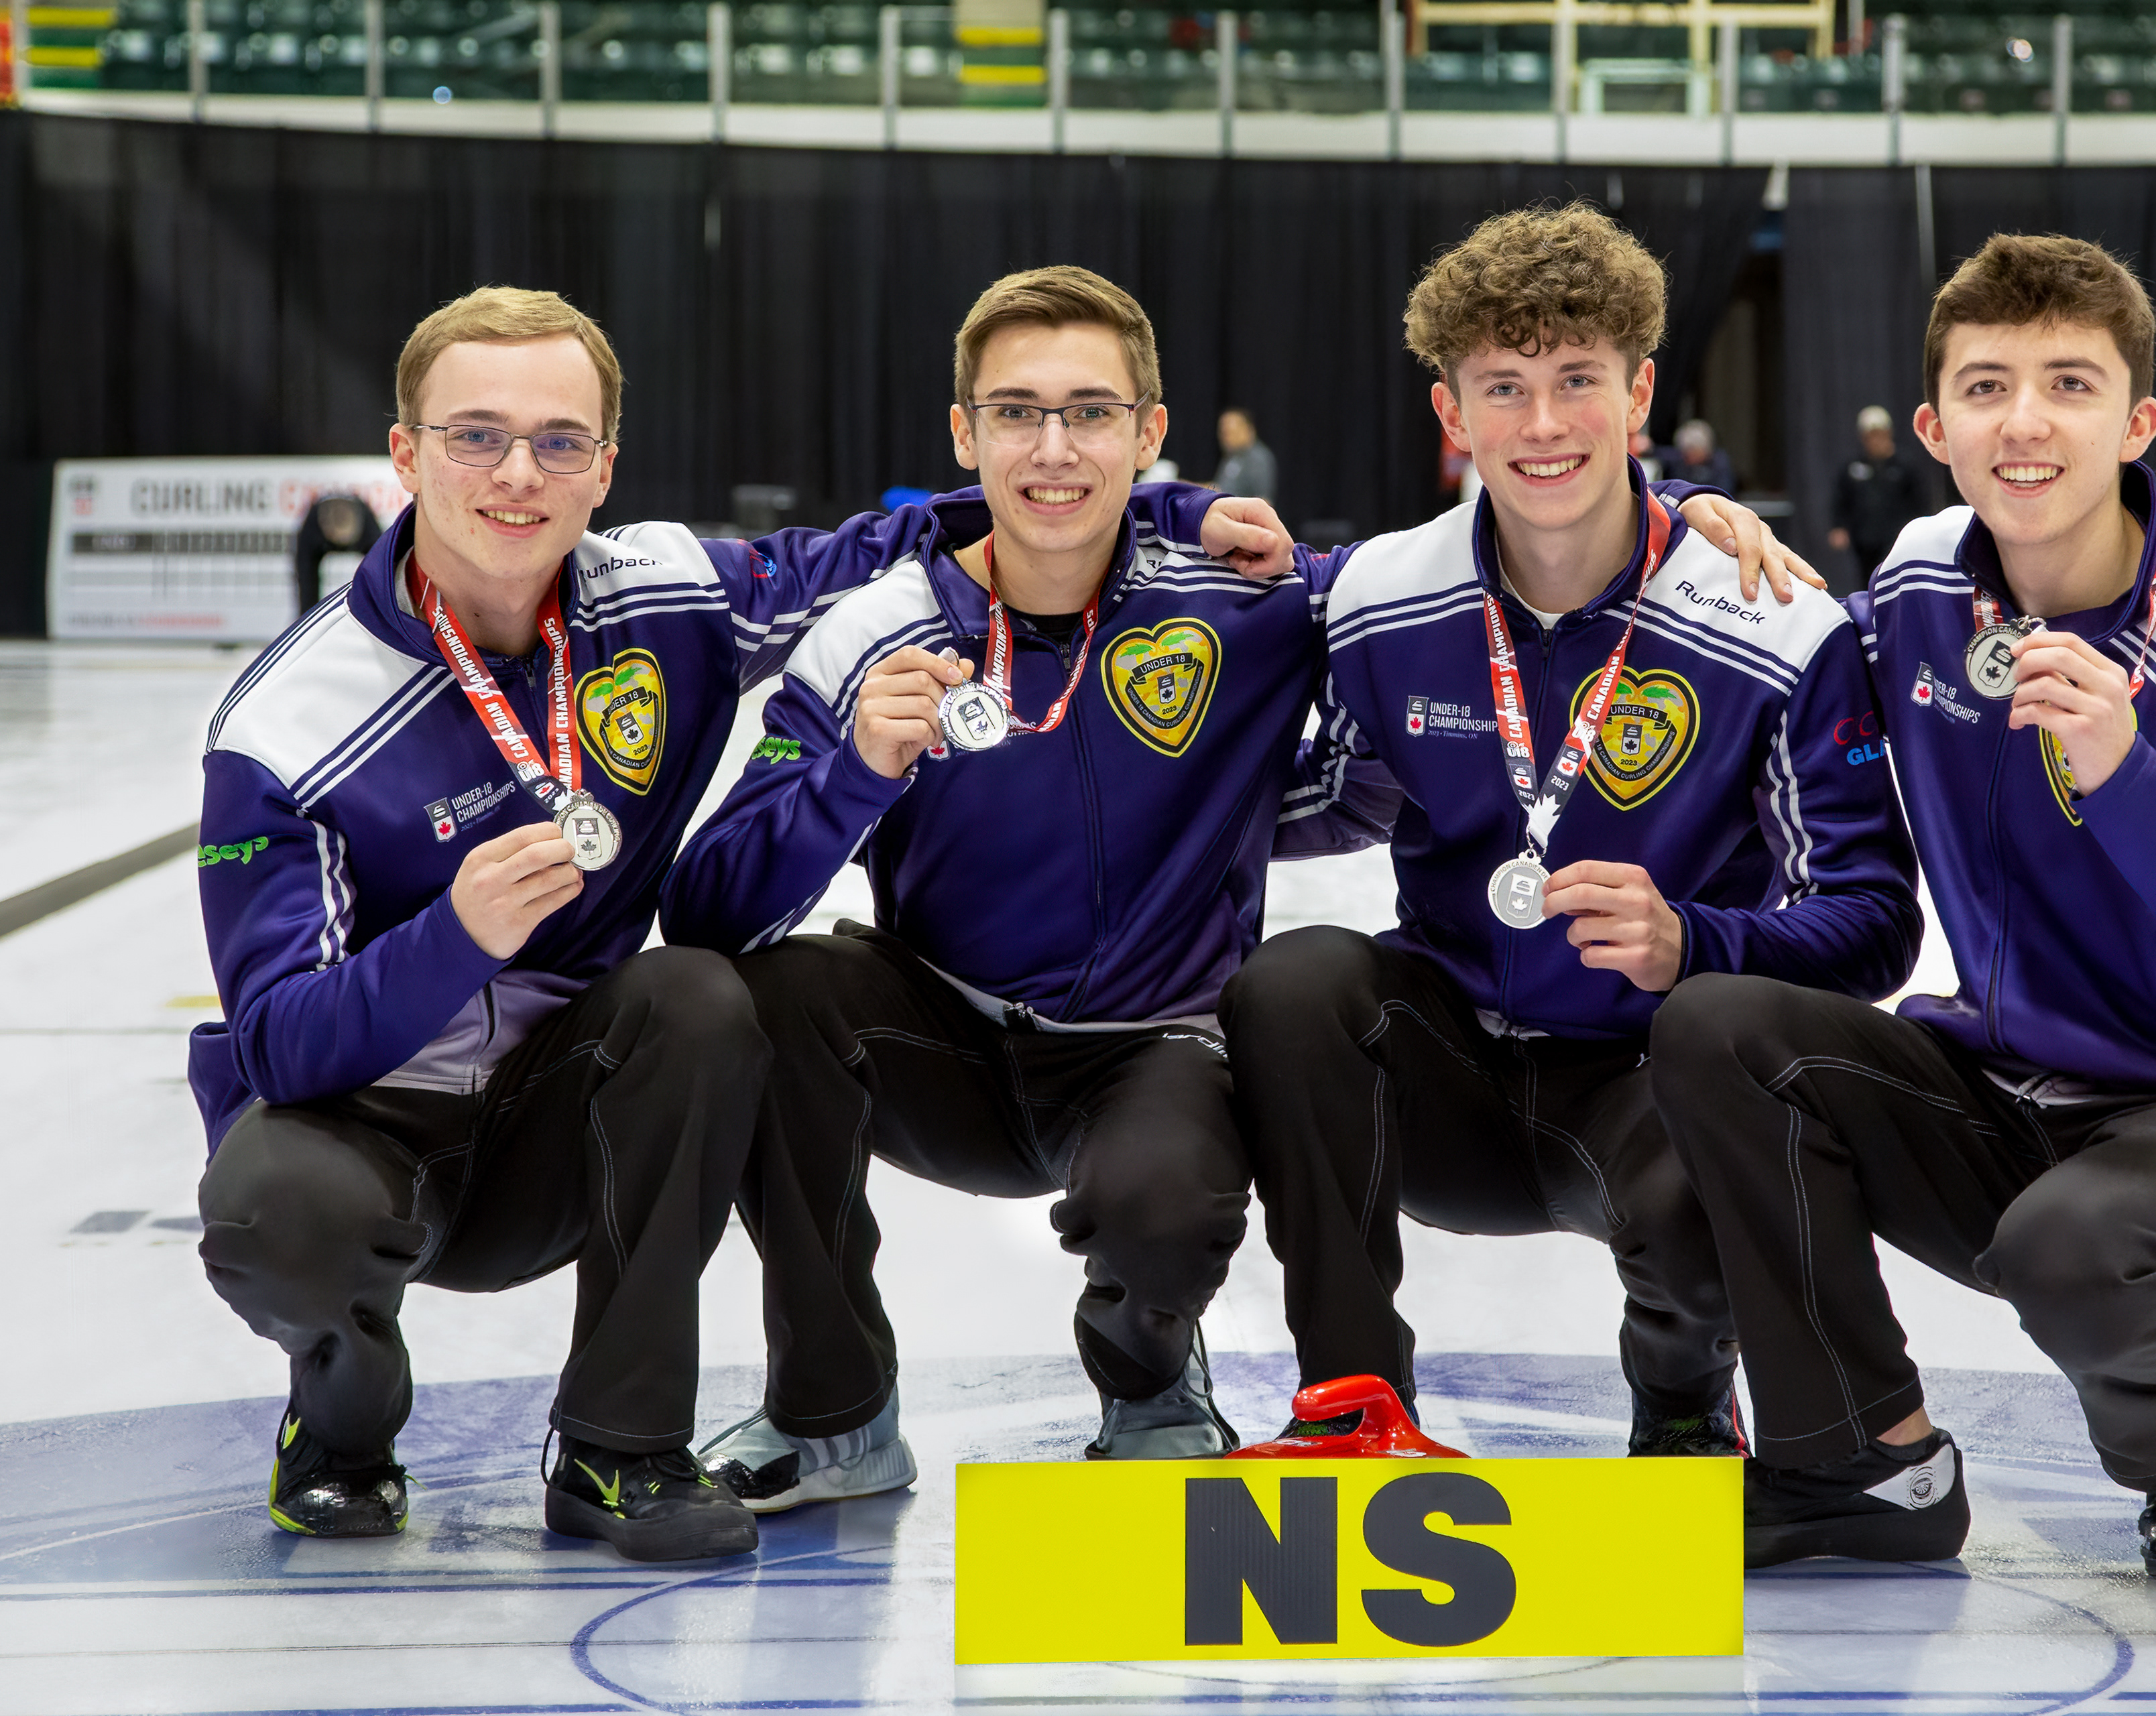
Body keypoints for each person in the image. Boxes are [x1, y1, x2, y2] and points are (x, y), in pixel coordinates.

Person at [657, 263, 1806, 1504]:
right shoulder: (873, 630)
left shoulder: (1254, 598)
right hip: (935, 1031)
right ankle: (833, 1414)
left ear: (1149, 431)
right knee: (769, 1000)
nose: (1055, 448)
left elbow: (1501, 551)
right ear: (964, 434)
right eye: (1017, 413)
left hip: (1148, 1046)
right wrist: (854, 779)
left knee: (1168, 1199)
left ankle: (1153, 1381)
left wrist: (1673, 506)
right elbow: (710, 911)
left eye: (1092, 413)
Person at [190, 286, 1296, 1561]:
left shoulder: (663, 595)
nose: (519, 474)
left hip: (567, 1110)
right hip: (365, 1120)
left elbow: (931, 534)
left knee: (703, 999)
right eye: (476, 436)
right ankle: (343, 1420)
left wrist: (1163, 509)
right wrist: (458, 935)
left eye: (559, 440)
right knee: (274, 1212)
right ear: (406, 453)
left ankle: (617, 1451)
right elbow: (276, 1047)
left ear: (606, 465)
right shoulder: (291, 722)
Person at [1651, 235, 2156, 1584]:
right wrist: (1686, 518)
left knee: (2077, 1248)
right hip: (2006, 1091)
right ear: (1935, 428)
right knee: (1718, 1030)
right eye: (1987, 387)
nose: (2027, 422)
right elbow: (1787, 652)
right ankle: (1855, 1457)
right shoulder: (1924, 579)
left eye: (2069, 384)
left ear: (2138, 424)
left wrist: (2132, 780)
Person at [1217, 204, 1922, 1459]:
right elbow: (1323, 792)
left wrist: (1694, 943)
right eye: (1504, 387)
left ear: (1639, 393)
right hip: (1442, 1076)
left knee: (1740, 1128)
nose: (1542, 424)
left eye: (1577, 381)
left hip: (1649, 1090)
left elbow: (1873, 925)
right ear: (1453, 415)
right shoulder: (1381, 594)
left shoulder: (1775, 626)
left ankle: (1683, 1393)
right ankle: (1353, 1398)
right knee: (1293, 984)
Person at [1829, 404, 1936, 591]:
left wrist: (1920, 530)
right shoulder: (1853, 468)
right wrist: (1839, 527)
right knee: (1867, 580)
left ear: (1888, 433)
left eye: (1879, 434)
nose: (1875, 441)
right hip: (1864, 539)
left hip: (1896, 538)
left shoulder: (1904, 467)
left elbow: (1920, 502)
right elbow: (1842, 499)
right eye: (1870, 436)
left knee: (1894, 578)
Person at [293, 493, 381, 613]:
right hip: (318, 533)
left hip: (361, 529)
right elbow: (305, 575)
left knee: (379, 575)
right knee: (307, 588)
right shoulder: (313, 528)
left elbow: (382, 571)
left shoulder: (368, 527)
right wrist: (307, 613)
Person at [1213, 407, 1278, 501]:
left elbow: (1264, 501)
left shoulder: (1257, 460)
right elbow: (1219, 488)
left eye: (1231, 432)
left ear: (1249, 430)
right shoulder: (1232, 457)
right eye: (1223, 433)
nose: (1225, 438)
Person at [1659, 417, 1735, 494]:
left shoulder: (1720, 463)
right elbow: (1661, 454)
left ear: (1704, 450)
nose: (1689, 458)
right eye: (1686, 453)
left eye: (1693, 452)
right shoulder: (1677, 459)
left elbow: (1724, 491)